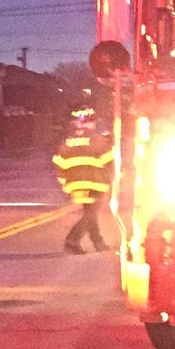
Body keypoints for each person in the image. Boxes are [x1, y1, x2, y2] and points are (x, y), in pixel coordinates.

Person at [53, 108, 114, 254]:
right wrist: (114, 176)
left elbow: (59, 162)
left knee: (90, 213)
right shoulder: (98, 139)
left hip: (74, 184)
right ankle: (72, 240)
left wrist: (64, 183)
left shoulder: (68, 141)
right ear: (92, 123)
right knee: (91, 214)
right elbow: (109, 161)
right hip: (94, 182)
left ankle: (98, 242)